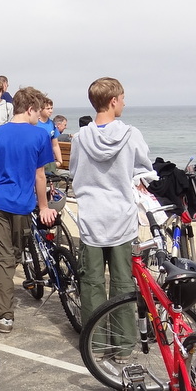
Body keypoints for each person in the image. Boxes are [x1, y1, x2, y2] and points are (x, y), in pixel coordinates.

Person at [69, 77, 157, 327]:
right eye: (122, 99)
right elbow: (144, 170)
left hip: (91, 217)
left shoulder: (80, 138)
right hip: (121, 216)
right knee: (123, 282)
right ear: (113, 101)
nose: (124, 104)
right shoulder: (131, 135)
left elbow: (75, 172)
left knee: (91, 283)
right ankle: (123, 340)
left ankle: (94, 340)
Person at [0, 87, 57, 333]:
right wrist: (44, 206)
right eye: (37, 112)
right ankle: (4, 312)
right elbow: (39, 176)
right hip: (23, 205)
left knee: (2, 256)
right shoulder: (39, 135)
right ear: (30, 109)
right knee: (13, 256)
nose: (38, 116)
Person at [37, 97, 63, 172]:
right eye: (48, 109)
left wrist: (59, 161)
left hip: (49, 161)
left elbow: (55, 144)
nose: (50, 111)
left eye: (51, 108)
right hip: (37, 161)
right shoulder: (35, 123)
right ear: (40, 109)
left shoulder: (51, 124)